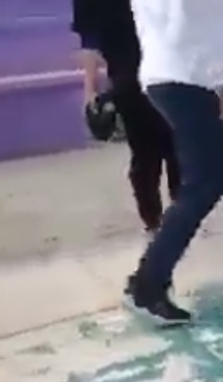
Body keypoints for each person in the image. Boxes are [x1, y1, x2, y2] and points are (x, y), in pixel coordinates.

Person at [126, 0, 223, 325]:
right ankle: (147, 285)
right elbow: (201, 28)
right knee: (204, 182)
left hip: (176, 73)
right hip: (191, 77)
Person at [71, 0, 180, 235]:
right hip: (133, 74)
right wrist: (90, 91)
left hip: (164, 66)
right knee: (148, 150)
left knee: (171, 147)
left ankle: (175, 215)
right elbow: (89, 39)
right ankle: (156, 219)